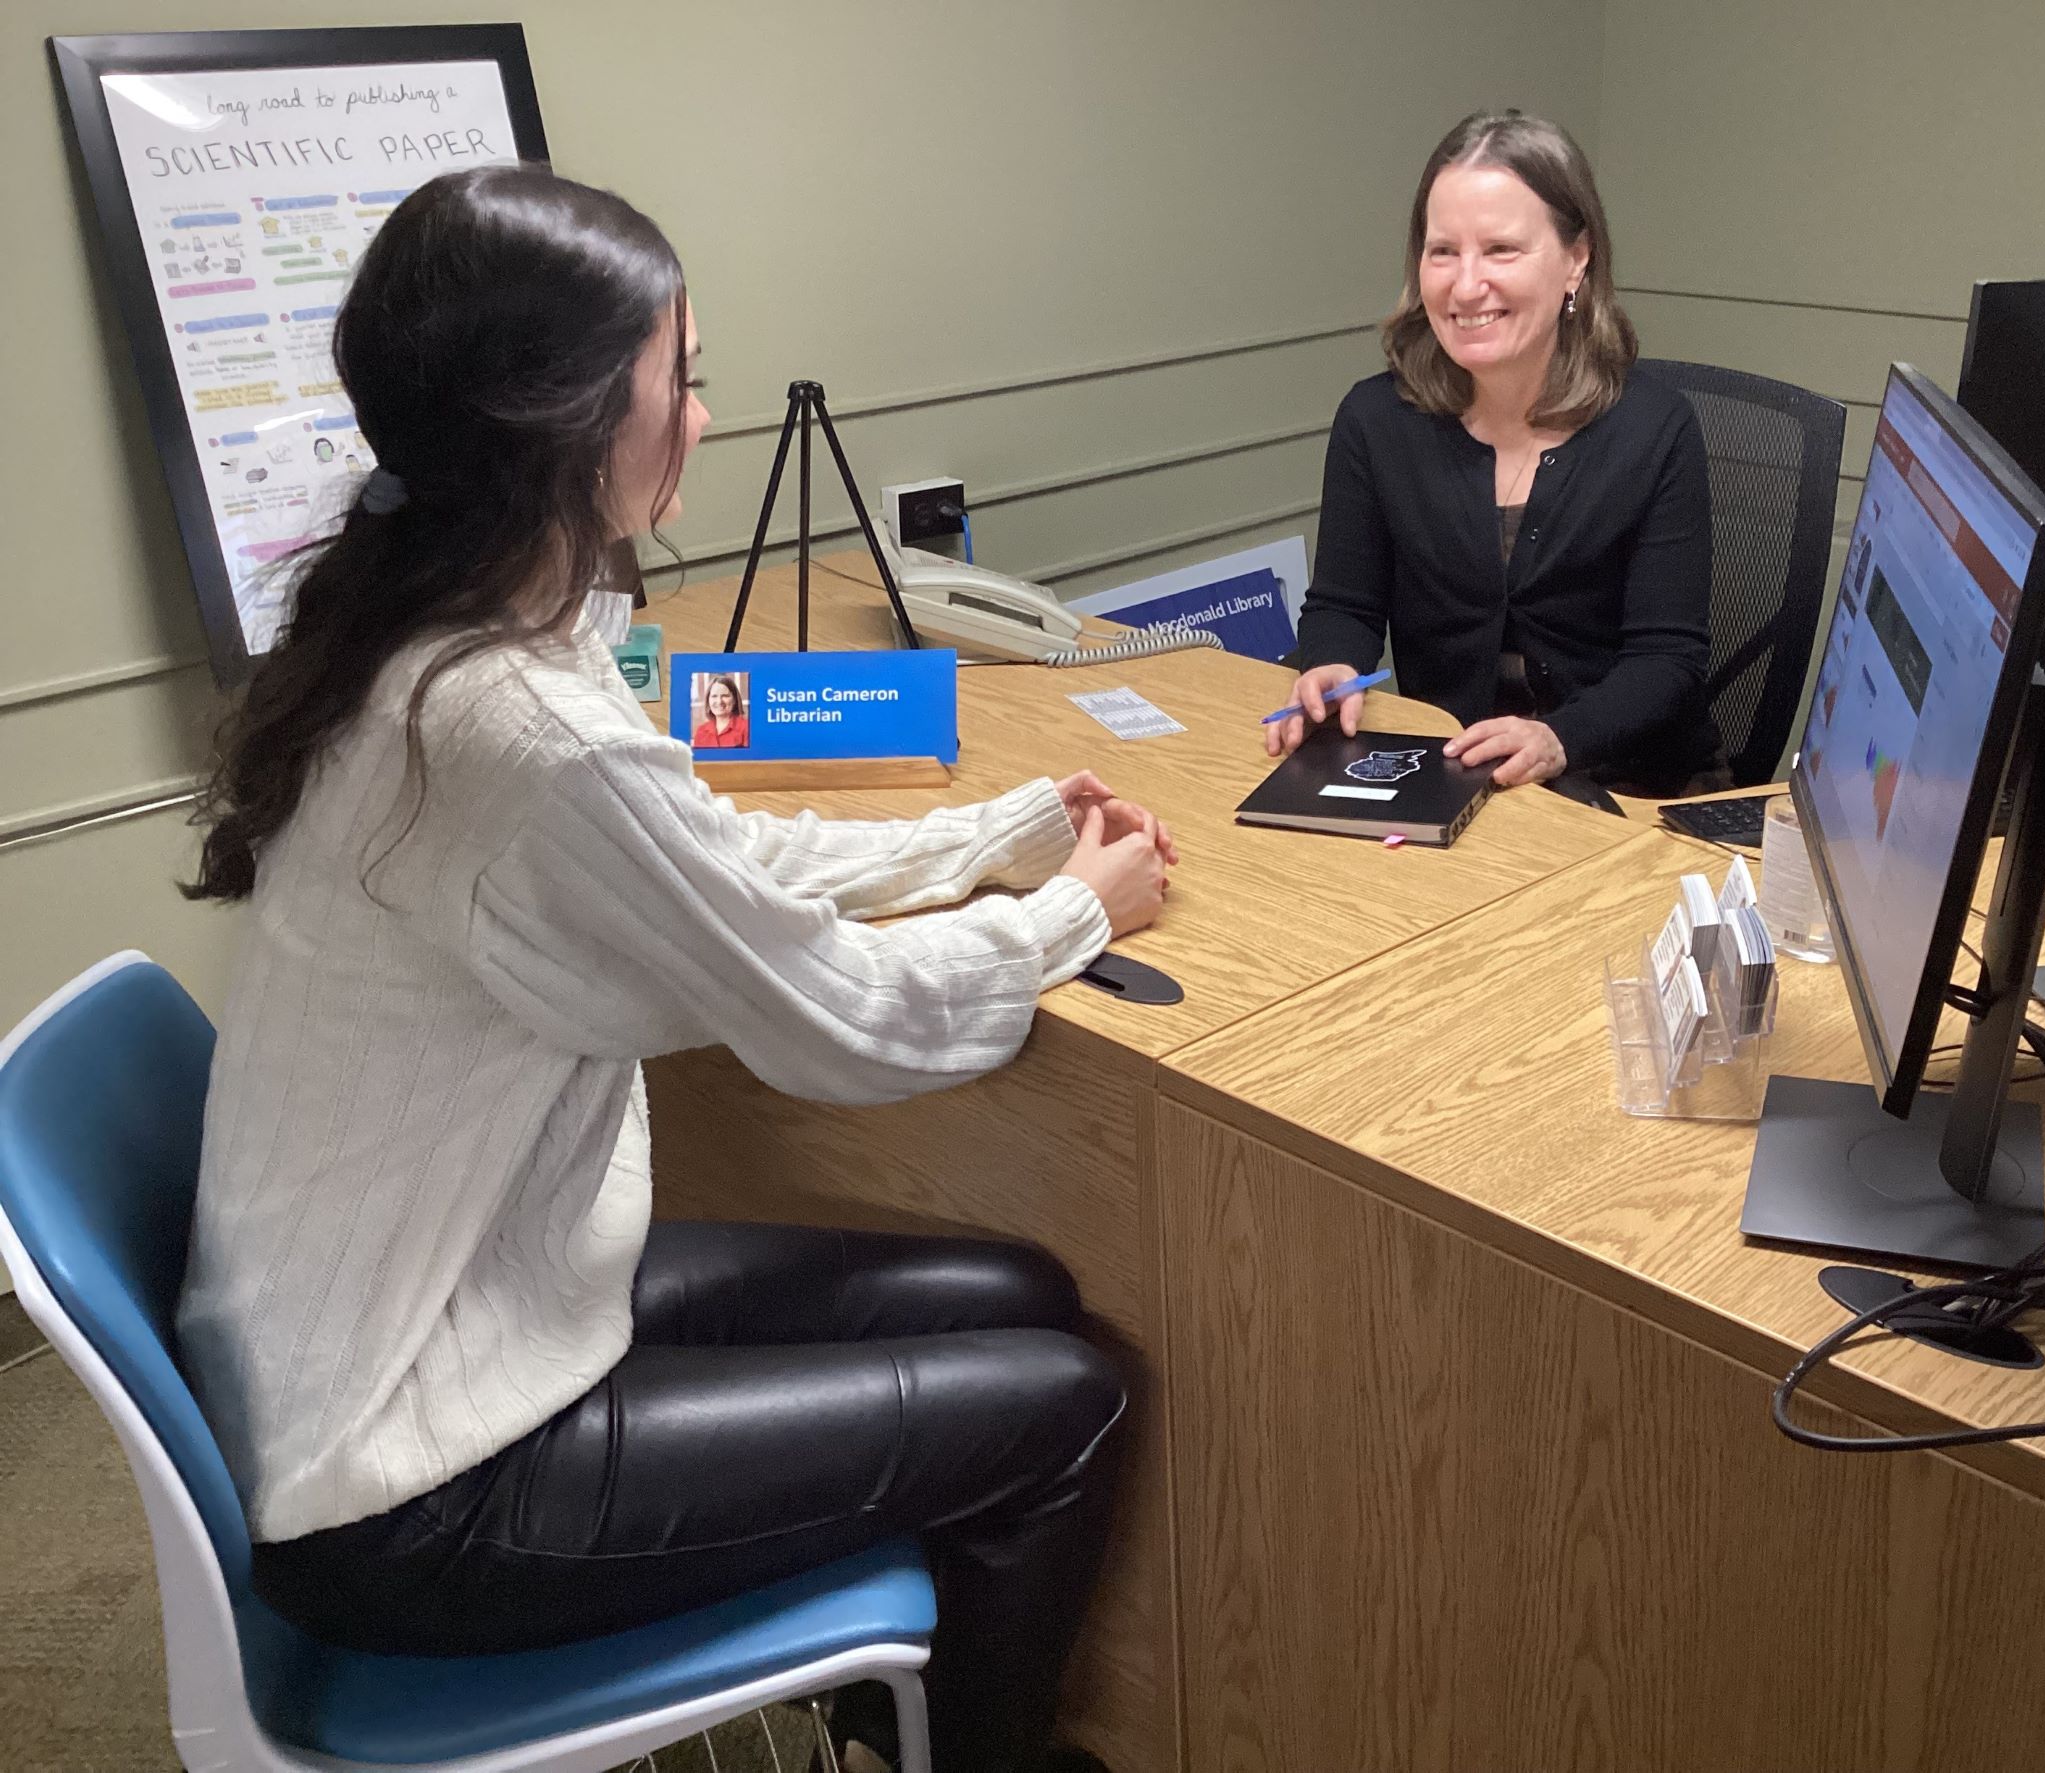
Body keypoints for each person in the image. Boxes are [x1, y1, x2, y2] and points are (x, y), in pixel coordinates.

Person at [175, 165, 1172, 1773]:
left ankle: (881, 1708)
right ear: (569, 416)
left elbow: (700, 874)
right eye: (682, 376)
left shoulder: (448, 634)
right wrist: (1077, 917)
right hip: (412, 1483)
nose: (702, 414)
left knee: (1020, 1295)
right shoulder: (518, 727)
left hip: (452, 1316)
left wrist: (986, 839)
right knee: (1066, 1404)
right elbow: (837, 1017)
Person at [1270, 110, 1726, 799]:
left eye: (1501, 250)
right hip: (1455, 777)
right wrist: (1331, 664)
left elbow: (1666, 661)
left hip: (1630, 785)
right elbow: (1346, 604)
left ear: (1577, 259)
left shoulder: (1655, 427)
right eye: (1443, 250)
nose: (1465, 284)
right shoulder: (1374, 420)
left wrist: (1556, 738)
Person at [691, 670, 750, 747]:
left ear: (734, 700)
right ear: (708, 700)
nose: (719, 701)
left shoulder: (747, 728)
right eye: (714, 696)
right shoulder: (701, 732)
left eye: (725, 696)